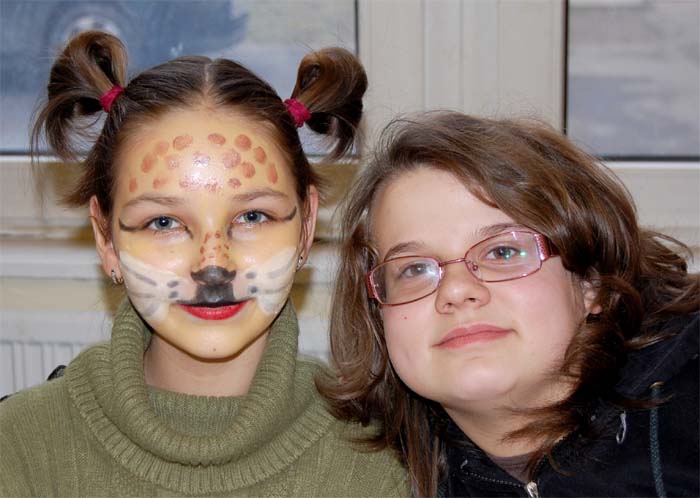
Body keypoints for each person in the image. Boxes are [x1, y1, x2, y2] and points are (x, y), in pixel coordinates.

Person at [0, 31, 408, 497]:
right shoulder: (18, 449)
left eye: (252, 216)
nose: (214, 266)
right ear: (106, 238)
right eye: (164, 222)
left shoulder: (376, 463)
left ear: (307, 225)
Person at [320, 110, 699, 497]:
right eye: (414, 269)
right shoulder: (369, 478)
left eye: (502, 252)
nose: (456, 290)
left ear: (592, 282)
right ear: (378, 315)